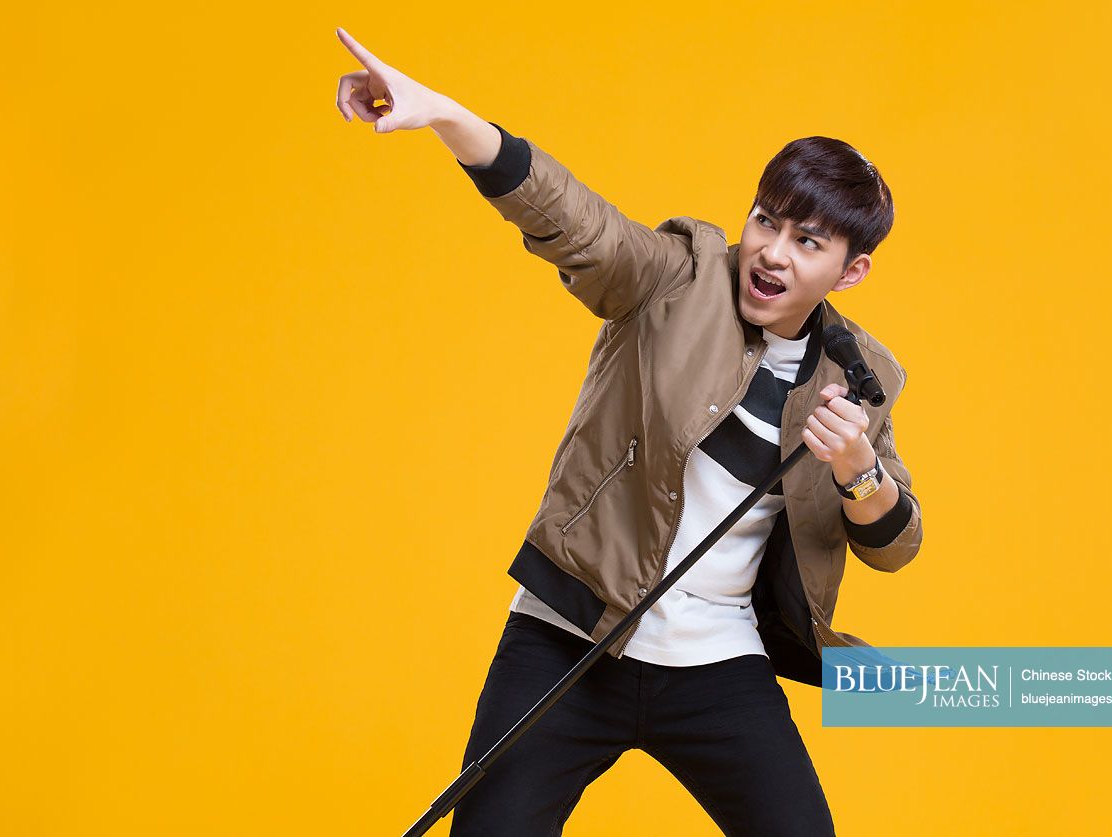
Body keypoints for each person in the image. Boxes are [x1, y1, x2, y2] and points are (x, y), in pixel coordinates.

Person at [336, 27, 924, 837]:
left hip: (718, 666)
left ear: (850, 269)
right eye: (765, 220)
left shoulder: (860, 374)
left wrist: (859, 470)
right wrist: (443, 116)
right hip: (568, 637)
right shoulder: (673, 278)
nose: (772, 252)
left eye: (807, 241)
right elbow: (571, 219)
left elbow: (895, 540)